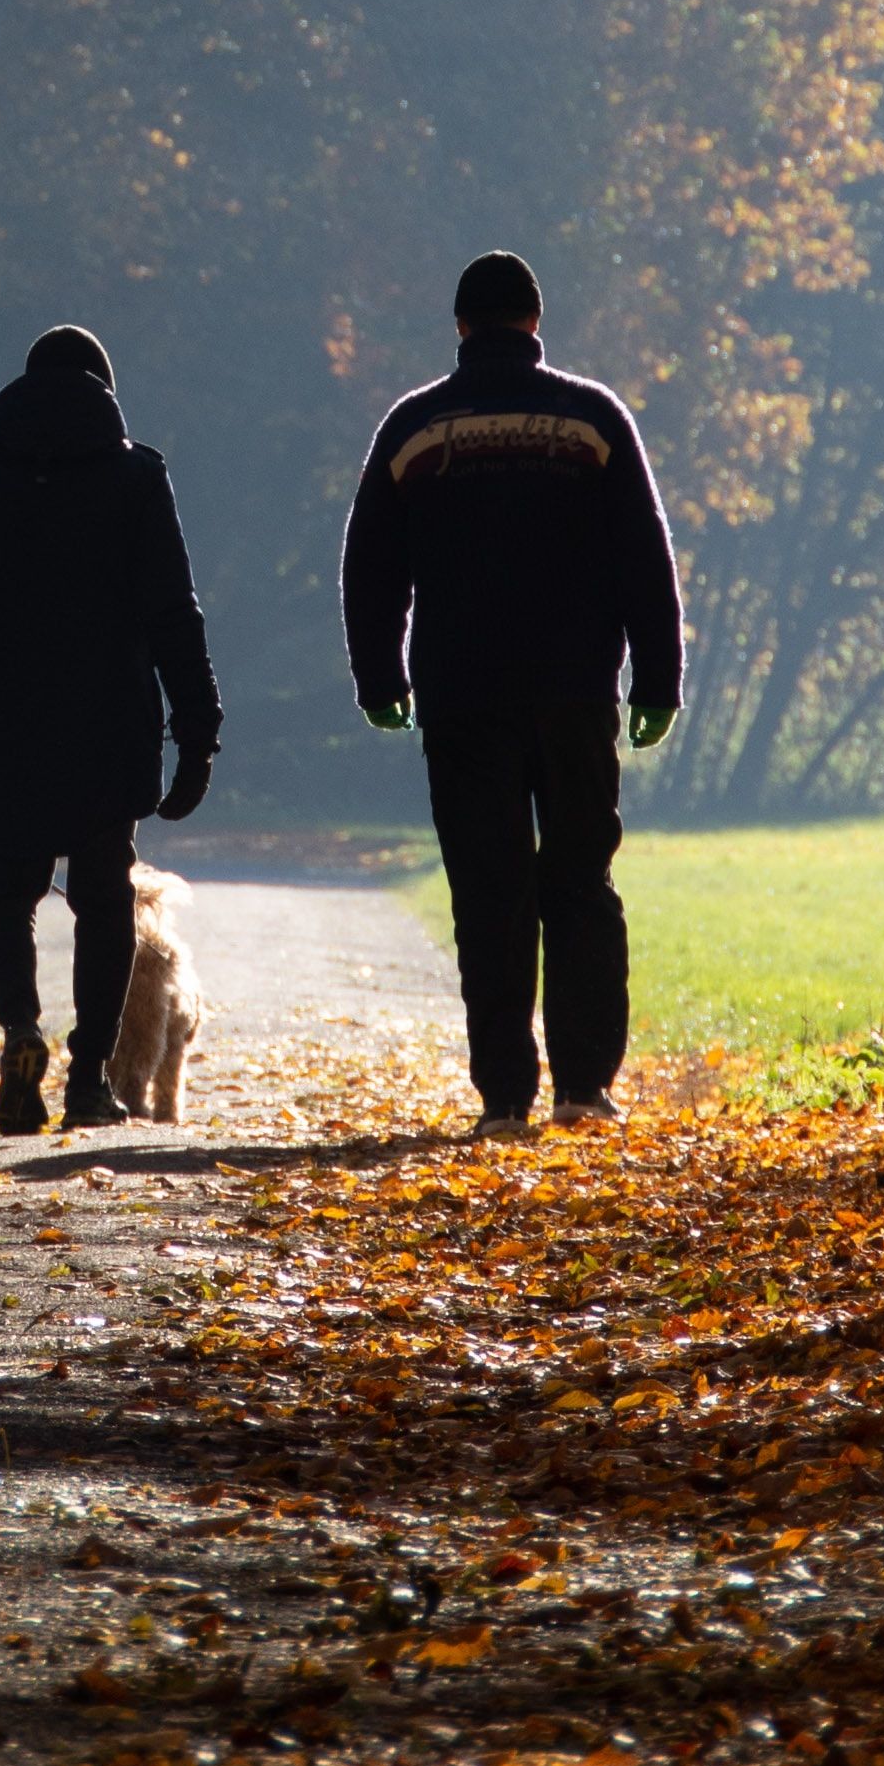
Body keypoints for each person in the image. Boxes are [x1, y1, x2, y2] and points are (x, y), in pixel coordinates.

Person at [341, 249, 681, 1131]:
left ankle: (503, 1095)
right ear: (535, 321)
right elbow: (643, 554)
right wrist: (658, 677)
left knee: (488, 889)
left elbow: (370, 566)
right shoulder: (591, 417)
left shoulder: (414, 425)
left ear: (459, 327)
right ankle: (584, 1086)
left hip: (461, 695)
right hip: (574, 691)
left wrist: (379, 674)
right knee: (580, 878)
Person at [0, 326, 218, 1134]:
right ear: (103, 392)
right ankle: (88, 1079)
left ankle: (19, 1036)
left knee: (6, 896)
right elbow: (172, 613)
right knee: (103, 897)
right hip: (109, 720)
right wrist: (198, 729)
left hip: (4, 721)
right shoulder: (137, 478)